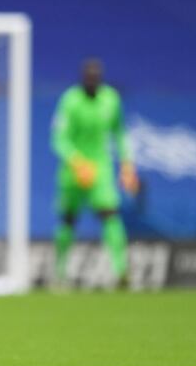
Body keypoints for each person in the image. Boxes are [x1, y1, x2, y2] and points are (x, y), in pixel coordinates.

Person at [51, 58, 138, 286]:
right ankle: (60, 275)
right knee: (68, 220)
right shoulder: (70, 100)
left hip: (101, 168)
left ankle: (121, 272)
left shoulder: (111, 99)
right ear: (83, 79)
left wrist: (127, 164)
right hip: (73, 170)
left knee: (110, 214)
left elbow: (120, 134)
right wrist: (77, 162)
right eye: (88, 78)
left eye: (95, 78)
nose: (92, 82)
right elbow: (58, 139)